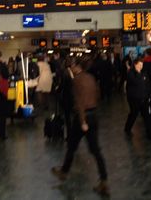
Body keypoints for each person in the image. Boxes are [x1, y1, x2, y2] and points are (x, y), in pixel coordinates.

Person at [51, 57, 109, 196]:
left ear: (77, 66)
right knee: (96, 150)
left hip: (83, 118)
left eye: (72, 66)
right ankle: (104, 181)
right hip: (94, 115)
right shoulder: (91, 78)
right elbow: (97, 95)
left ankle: (64, 172)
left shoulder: (77, 80)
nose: (70, 68)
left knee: (72, 145)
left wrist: (82, 121)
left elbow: (79, 102)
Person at [124, 58, 151, 140]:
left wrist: (149, 96)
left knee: (147, 117)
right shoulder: (131, 74)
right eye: (139, 65)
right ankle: (127, 128)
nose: (141, 66)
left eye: (142, 65)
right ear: (135, 64)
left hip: (144, 99)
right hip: (134, 100)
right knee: (133, 114)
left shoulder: (144, 74)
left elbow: (148, 85)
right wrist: (139, 74)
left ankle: (150, 134)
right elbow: (136, 82)